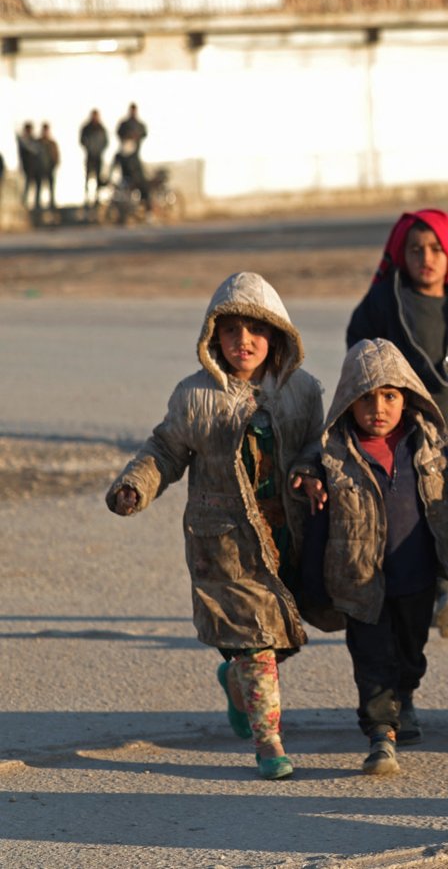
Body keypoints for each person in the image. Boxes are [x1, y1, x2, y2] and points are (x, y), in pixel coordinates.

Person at [105, 272, 327, 780]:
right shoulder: (195, 395)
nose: (242, 342)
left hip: (282, 534)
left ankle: (235, 681)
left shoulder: (302, 392)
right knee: (255, 640)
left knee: (280, 634)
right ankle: (268, 738)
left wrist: (311, 471)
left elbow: (318, 442)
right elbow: (165, 449)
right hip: (224, 540)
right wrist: (135, 486)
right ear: (213, 338)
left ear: (277, 336)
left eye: (255, 330)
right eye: (230, 331)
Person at [298, 338, 448, 775]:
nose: (378, 408)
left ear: (408, 397)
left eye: (389, 396)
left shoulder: (427, 450)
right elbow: (317, 528)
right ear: (347, 403)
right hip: (360, 585)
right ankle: (380, 735)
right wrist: (312, 585)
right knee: (371, 660)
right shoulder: (333, 461)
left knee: (411, 655)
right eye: (365, 398)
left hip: (417, 578)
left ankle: (404, 697)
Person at [346, 209, 448, 638]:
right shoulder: (382, 303)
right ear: (401, 255)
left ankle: (442, 587)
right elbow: (359, 353)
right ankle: (420, 588)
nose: (425, 258)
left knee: (438, 503)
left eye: (435, 249)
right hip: (398, 426)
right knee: (410, 510)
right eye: (415, 250)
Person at [80, 109, 109, 204]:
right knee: (88, 177)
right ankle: (87, 197)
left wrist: (99, 150)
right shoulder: (87, 128)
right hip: (90, 156)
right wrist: (89, 148)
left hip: (98, 157)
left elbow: (105, 142)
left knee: (98, 177)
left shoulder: (101, 128)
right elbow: (82, 140)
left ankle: (97, 198)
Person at [16, 122, 41, 213]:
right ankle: (24, 205)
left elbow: (36, 151)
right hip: (27, 168)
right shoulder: (23, 142)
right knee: (27, 187)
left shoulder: (33, 140)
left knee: (36, 187)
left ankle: (36, 206)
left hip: (36, 168)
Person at [37, 123, 60, 216]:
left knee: (51, 189)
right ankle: (38, 208)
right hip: (40, 170)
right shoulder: (38, 143)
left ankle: (52, 206)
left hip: (50, 169)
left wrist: (54, 165)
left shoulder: (52, 143)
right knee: (39, 189)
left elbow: (56, 156)